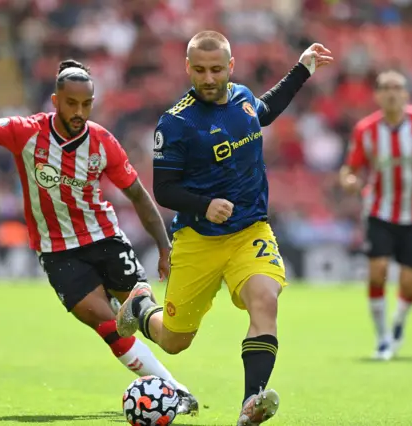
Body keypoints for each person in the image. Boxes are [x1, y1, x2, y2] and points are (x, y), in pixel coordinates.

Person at [0, 60, 198, 414]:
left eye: (86, 104)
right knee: (109, 326)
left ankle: (151, 322)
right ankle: (176, 390)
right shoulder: (27, 132)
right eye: (72, 104)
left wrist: (163, 246)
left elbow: (139, 195)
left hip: (104, 237)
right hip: (58, 252)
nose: (79, 112)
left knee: (143, 314)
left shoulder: (103, 142)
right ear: (56, 101)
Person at [115, 31, 333, 425]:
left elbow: (264, 109)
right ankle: (141, 307)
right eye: (200, 70)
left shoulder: (243, 98)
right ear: (188, 68)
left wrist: (302, 69)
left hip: (250, 231)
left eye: (216, 69)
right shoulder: (176, 123)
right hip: (198, 240)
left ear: (230, 67)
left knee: (266, 300)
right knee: (174, 341)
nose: (209, 78)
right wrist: (204, 205)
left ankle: (251, 403)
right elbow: (164, 189)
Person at [339, 70, 412, 361]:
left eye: (397, 88)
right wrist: (349, 181)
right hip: (379, 211)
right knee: (377, 271)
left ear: (406, 93)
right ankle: (382, 337)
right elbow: (349, 169)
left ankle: (398, 324)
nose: (391, 93)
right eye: (385, 88)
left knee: (409, 282)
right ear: (377, 95)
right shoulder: (366, 130)